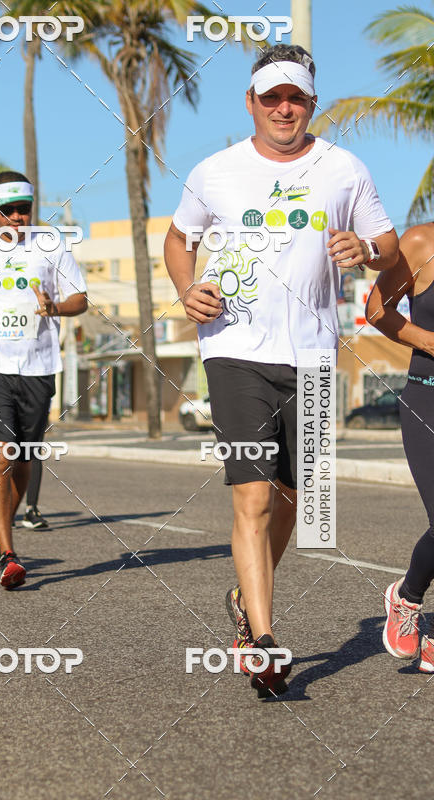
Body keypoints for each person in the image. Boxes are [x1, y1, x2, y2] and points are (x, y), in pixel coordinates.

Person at [164, 43, 399, 697]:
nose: (284, 109)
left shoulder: (344, 169)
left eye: (296, 98)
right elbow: (179, 238)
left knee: (295, 496)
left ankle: (245, 595)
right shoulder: (216, 171)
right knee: (254, 494)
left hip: (315, 355)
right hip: (234, 348)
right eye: (272, 97)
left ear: (311, 103)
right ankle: (262, 641)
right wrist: (187, 289)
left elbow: (387, 245)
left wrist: (364, 249)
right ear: (251, 102)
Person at [0, 170, 87, 589]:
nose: (17, 217)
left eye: (23, 209)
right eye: (8, 210)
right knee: (1, 454)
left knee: (24, 458)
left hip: (38, 367)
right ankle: (7, 554)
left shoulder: (51, 244)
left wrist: (55, 307)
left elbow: (80, 298)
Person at [366, 224, 434, 672]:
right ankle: (407, 597)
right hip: (429, 397)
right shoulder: (421, 243)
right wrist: (428, 341)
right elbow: (376, 309)